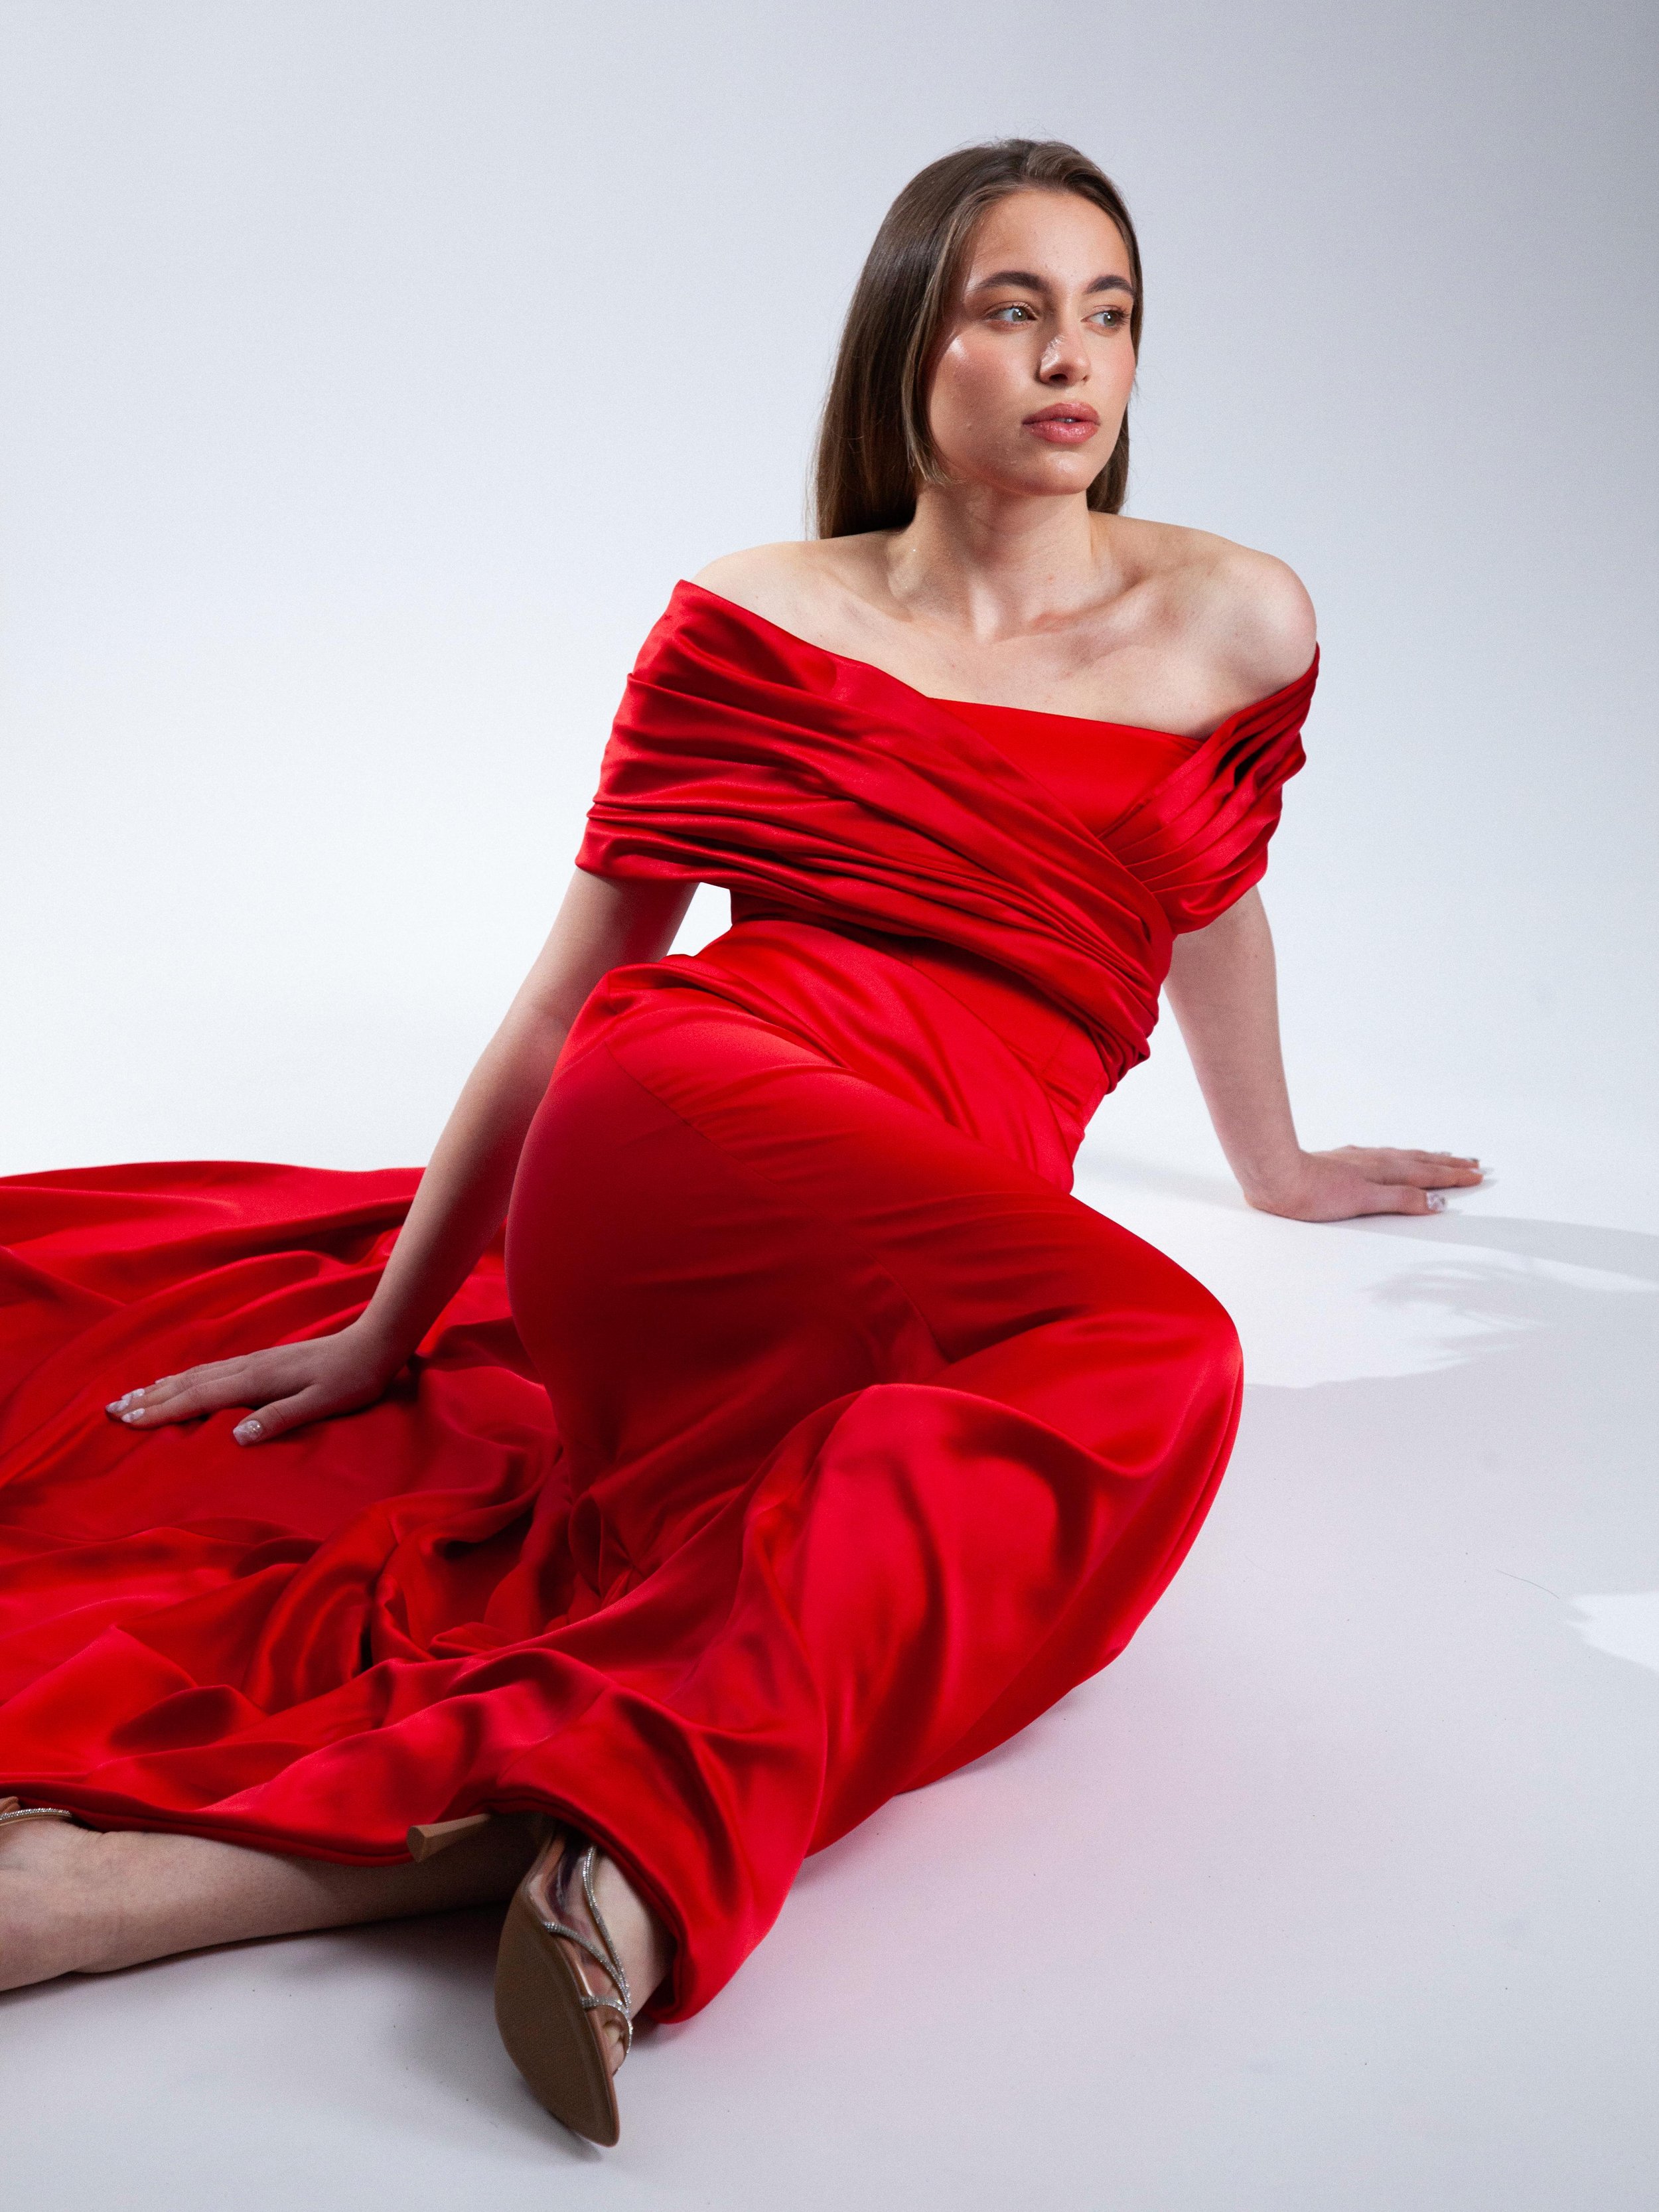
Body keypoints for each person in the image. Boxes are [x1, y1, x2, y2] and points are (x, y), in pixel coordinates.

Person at [0, 139, 1480, 2144]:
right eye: (1014, 308)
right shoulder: (756, 619)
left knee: (902, 1505)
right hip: (697, 1110)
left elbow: (1210, 892)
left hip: (921, 1237)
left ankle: (156, 1889)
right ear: (909, 345)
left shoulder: (1236, 617)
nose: (1074, 359)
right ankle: (601, 1861)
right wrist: (389, 1329)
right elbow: (568, 996)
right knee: (1161, 1360)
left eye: (1111, 313)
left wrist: (1276, 1165)